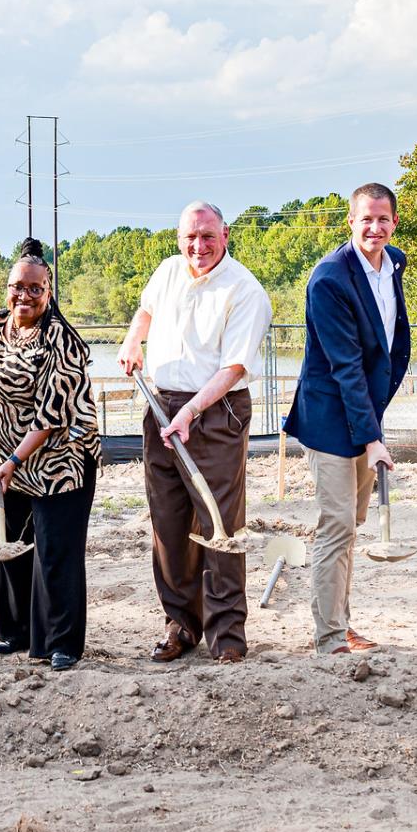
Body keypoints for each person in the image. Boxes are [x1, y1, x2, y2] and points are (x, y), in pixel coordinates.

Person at [120, 201, 273, 663]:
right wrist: (132, 340)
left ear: (225, 235)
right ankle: (181, 624)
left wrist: (189, 411)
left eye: (208, 236)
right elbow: (145, 313)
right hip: (160, 406)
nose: (198, 246)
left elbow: (234, 367)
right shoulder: (167, 271)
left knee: (219, 522)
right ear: (178, 236)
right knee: (168, 524)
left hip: (216, 411)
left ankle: (227, 635)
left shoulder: (246, 290)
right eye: (190, 236)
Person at [0, 239, 103, 671]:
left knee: (55, 550)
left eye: (35, 289)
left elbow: (50, 415)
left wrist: (14, 462)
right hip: (6, 450)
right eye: (18, 286)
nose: (25, 296)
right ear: (7, 287)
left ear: (48, 292)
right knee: (13, 542)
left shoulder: (63, 341)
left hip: (61, 454)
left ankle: (60, 643)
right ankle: (14, 633)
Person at [283, 182, 410, 656]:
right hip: (330, 418)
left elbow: (390, 344)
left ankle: (342, 621)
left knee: (350, 525)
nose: (374, 228)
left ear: (394, 222)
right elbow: (346, 365)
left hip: (363, 415)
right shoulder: (329, 279)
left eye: (383, 219)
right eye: (365, 219)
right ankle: (330, 638)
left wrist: (375, 422)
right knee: (336, 524)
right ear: (350, 222)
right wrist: (371, 435)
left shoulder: (393, 263)